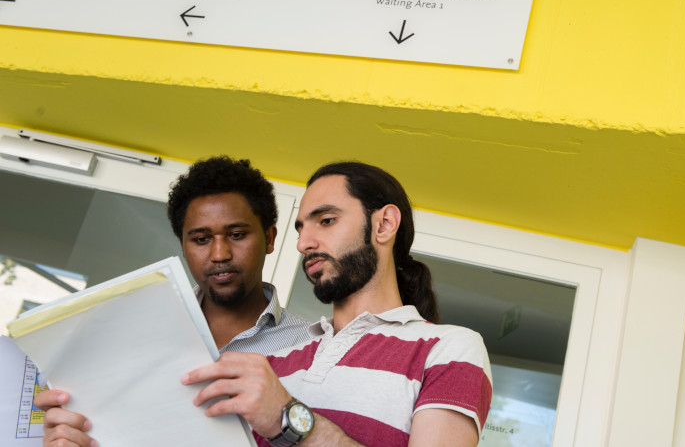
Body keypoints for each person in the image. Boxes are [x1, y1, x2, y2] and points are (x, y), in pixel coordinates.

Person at [182, 161, 492, 446]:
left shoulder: (450, 349)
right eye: (302, 229)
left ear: (384, 224)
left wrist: (290, 419)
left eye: (326, 220)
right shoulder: (275, 362)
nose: (304, 244)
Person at [35, 156, 311, 447]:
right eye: (201, 239)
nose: (219, 254)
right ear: (183, 245)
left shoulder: (312, 348)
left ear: (269, 238)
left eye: (237, 235)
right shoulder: (133, 336)